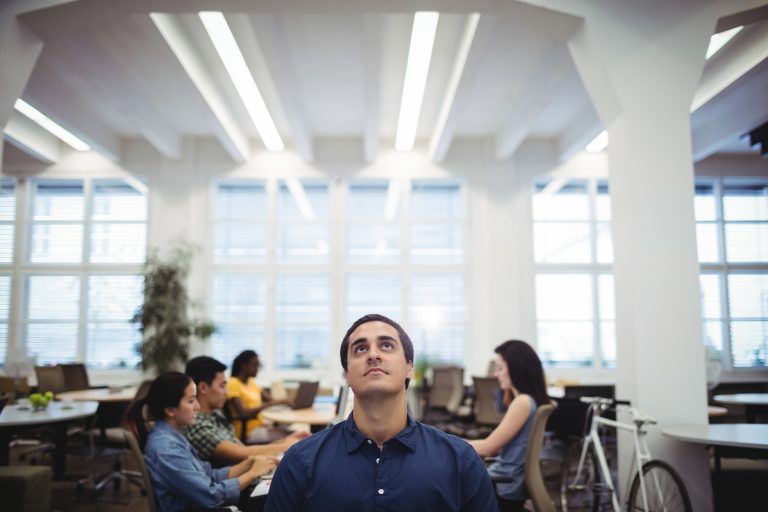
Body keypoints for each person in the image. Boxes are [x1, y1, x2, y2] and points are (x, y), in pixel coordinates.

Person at [264, 313, 498, 512]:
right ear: (347, 375)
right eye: (361, 348)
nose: (373, 355)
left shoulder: (461, 462)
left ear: (409, 368)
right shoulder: (299, 463)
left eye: (386, 345)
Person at [124, 371, 277, 512]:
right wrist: (252, 473)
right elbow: (212, 496)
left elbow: (208, 474)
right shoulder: (167, 449)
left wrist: (248, 463)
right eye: (191, 401)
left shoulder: (173, 436)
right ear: (170, 410)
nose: (197, 406)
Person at [468, 340, 550, 512]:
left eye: (500, 368)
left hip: (502, 490)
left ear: (516, 369)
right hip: (507, 486)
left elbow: (488, 448)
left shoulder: (522, 402)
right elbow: (497, 448)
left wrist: (446, 444)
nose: (496, 375)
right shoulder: (529, 400)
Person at [184, 355, 309, 465]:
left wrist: (285, 441)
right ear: (203, 388)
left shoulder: (216, 417)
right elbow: (241, 453)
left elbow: (244, 449)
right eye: (222, 386)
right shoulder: (197, 424)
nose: (226, 392)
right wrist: (288, 445)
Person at [228, 350, 292, 442]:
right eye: (254, 366)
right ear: (244, 366)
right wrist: (267, 405)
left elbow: (270, 399)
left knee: (291, 431)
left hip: (261, 425)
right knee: (291, 436)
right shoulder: (233, 383)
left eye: (258, 366)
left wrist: (286, 401)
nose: (257, 369)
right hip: (247, 431)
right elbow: (243, 412)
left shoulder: (251, 382)